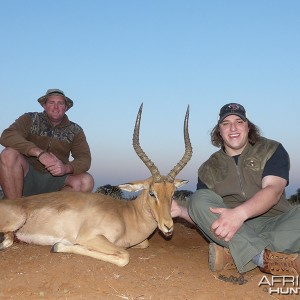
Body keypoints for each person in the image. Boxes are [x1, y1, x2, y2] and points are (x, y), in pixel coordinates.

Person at [171, 103, 300, 276]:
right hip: (233, 229)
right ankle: (262, 258)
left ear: (248, 126)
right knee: (198, 198)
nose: (233, 127)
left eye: (239, 121)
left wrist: (239, 214)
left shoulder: (271, 149)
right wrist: (179, 211)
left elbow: (273, 190)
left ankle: (235, 254)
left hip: (278, 222)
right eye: (226, 123)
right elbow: (205, 213)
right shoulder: (208, 168)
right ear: (219, 130)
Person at [0, 89, 94, 199]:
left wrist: (65, 168)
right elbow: (7, 135)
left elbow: (84, 158)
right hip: (27, 175)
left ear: (66, 107)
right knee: (8, 154)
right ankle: (14, 207)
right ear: (44, 105)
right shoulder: (30, 119)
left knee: (86, 181)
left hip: (56, 181)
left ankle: (50, 211)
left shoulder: (75, 130)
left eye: (60, 103)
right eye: (51, 103)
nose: (56, 107)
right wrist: (39, 153)